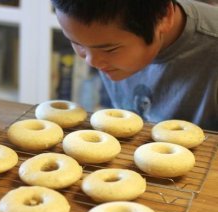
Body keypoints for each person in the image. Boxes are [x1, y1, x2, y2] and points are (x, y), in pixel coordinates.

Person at [50, 0, 218, 131]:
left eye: (110, 49)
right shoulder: (107, 39)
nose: (91, 61)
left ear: (164, 17)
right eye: (76, 43)